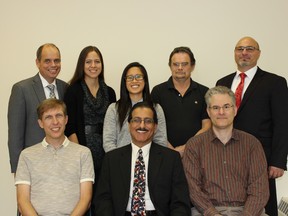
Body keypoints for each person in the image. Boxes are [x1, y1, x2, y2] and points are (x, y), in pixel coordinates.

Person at [216, 36, 288, 216]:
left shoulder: (275, 82)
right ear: (234, 53)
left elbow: (282, 122)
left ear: (258, 53)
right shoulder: (222, 82)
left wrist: (278, 161)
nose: (244, 53)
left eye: (250, 49)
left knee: (262, 203)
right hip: (227, 156)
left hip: (261, 157)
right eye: (240, 49)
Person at [182, 86, 269, 216]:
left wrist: (247, 214)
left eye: (227, 107)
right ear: (208, 111)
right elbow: (193, 189)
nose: (221, 112)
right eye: (215, 108)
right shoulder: (194, 145)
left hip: (248, 211)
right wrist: (213, 214)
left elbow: (259, 189)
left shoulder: (252, 144)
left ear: (235, 110)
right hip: (206, 212)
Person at [96, 101, 191, 216]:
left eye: (148, 121)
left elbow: (180, 202)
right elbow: (103, 200)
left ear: (155, 127)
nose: (142, 126)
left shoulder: (171, 158)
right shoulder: (112, 158)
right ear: (129, 124)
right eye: (136, 120)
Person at [15, 98, 94, 216]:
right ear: (40, 123)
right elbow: (23, 200)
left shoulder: (83, 153)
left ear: (66, 119)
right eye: (48, 117)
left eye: (59, 115)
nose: (55, 122)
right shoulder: (27, 155)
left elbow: (86, 199)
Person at [64, 46, 116, 215]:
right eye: (88, 62)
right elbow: (69, 126)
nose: (93, 65)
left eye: (97, 61)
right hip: (82, 148)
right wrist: (79, 153)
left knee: (104, 196)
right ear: (82, 65)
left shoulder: (110, 92)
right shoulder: (72, 91)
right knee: (84, 197)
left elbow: (115, 123)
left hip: (106, 150)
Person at [8, 43, 68, 174]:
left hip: (63, 165)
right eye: (47, 61)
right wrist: (18, 171)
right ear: (37, 62)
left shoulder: (66, 88)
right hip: (33, 165)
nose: (53, 65)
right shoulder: (22, 89)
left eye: (57, 60)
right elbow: (15, 135)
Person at [151, 46, 210, 156]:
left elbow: (207, 126)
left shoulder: (204, 92)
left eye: (184, 64)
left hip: (197, 153)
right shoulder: (158, 91)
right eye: (176, 64)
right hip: (164, 153)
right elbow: (153, 125)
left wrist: (186, 147)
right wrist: (172, 151)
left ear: (192, 66)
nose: (180, 68)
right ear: (170, 66)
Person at [103, 62, 167, 153]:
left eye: (138, 77)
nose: (134, 81)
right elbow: (108, 142)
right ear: (124, 82)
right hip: (120, 162)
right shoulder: (114, 109)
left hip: (150, 162)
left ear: (145, 81)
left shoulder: (156, 108)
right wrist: (117, 161)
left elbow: (161, 140)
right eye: (130, 78)